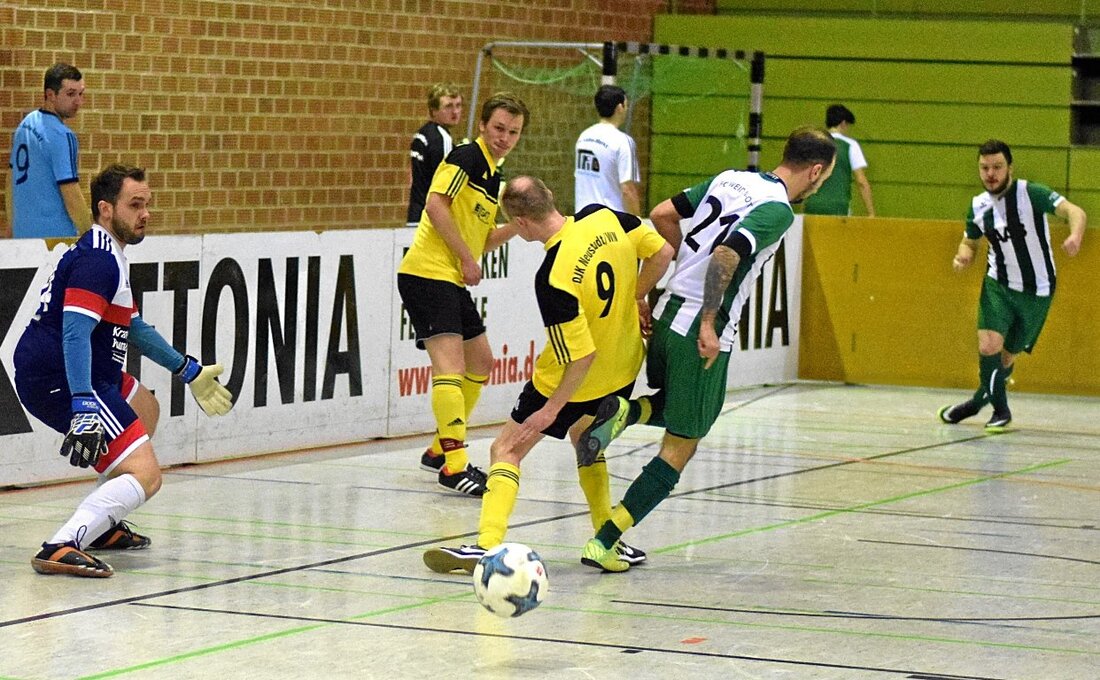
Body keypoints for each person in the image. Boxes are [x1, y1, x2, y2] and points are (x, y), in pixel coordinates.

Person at [575, 126, 837, 572]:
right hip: (699, 330)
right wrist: (710, 322)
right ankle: (604, 542)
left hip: (666, 316)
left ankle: (627, 412)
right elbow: (726, 255)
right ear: (815, 171)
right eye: (825, 177)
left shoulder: (730, 178)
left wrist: (674, 271)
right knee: (682, 445)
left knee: (686, 409)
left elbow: (661, 214)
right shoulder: (777, 210)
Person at [421, 175, 674, 574]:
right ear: (551, 197)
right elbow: (663, 251)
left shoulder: (553, 276)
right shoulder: (604, 217)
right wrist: (636, 295)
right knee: (588, 444)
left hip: (568, 380)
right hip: (624, 367)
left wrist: (550, 410)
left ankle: (487, 545)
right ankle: (607, 541)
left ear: (520, 224)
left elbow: (581, 355)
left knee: (506, 450)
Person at [13, 164, 233, 578]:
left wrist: (186, 369)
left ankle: (102, 525)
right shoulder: (99, 261)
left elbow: (132, 326)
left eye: (147, 204)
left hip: (93, 368)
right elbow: (74, 333)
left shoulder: (108, 251)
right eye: (135, 205)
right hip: (61, 375)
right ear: (105, 209)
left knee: (146, 409)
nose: (145, 213)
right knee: (147, 475)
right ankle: (61, 544)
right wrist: (83, 404)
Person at [397, 92, 529, 496]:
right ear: (482, 126)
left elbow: (482, 238)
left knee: (482, 361)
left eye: (513, 132)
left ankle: (439, 449)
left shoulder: (494, 177)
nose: (504, 138)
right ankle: (454, 465)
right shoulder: (466, 157)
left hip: (449, 278)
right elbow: (435, 206)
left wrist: (517, 227)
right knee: (450, 367)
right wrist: (466, 259)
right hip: (426, 273)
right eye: (499, 128)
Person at [938, 140, 1086, 431]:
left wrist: (1076, 235)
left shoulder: (1031, 193)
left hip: (1037, 291)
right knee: (988, 345)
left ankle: (974, 404)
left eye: (997, 167)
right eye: (984, 168)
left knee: (1006, 359)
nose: (990, 173)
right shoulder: (978, 205)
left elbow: (1075, 211)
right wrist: (963, 255)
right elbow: (970, 240)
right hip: (998, 285)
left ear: (1010, 168)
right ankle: (1001, 410)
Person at [7, 63, 91, 238]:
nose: (78, 101)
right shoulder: (62, 135)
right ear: (50, 95)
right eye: (70, 94)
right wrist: (90, 237)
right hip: (55, 240)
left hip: (22, 235)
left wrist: (11, 225)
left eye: (80, 93)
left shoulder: (26, 124)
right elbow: (72, 196)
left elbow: (10, 179)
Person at [574, 85, 641, 215]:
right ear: (620, 108)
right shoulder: (623, 141)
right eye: (626, 105)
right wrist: (637, 221)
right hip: (610, 221)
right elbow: (627, 189)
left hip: (582, 218)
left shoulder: (584, 137)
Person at [803, 104, 874, 217]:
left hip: (812, 204)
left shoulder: (814, 143)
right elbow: (861, 182)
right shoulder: (850, 145)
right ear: (843, 123)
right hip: (838, 205)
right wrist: (871, 213)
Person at [407, 84, 463, 225]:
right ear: (433, 110)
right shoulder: (441, 138)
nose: (455, 111)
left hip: (416, 214)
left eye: (458, 105)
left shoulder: (422, 134)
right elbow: (445, 184)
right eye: (448, 106)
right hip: (431, 220)